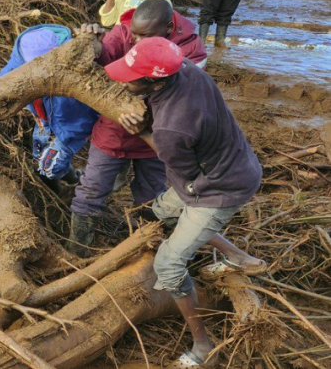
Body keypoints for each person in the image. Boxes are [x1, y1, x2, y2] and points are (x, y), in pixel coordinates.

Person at [106, 37, 266, 368]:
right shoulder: (188, 69)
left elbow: (183, 168)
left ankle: (202, 346)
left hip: (218, 187)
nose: (123, 78)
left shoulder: (170, 129)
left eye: (131, 75)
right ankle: (243, 260)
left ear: (153, 80)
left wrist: (140, 132)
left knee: (168, 262)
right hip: (236, 162)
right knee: (163, 212)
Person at [69, 0, 207, 256]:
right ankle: (78, 252)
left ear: (167, 28)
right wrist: (92, 43)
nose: (137, 39)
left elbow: (186, 97)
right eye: (135, 33)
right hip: (114, 131)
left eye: (145, 36)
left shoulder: (190, 48)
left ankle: (145, 250)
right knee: (91, 191)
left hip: (157, 140)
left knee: (152, 197)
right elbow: (105, 54)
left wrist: (145, 116)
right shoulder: (124, 31)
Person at [0, 25, 98, 193]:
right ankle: (70, 178)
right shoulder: (22, 54)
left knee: (49, 167)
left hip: (69, 127)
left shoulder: (72, 68)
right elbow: (2, 80)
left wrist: (66, 139)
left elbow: (83, 115)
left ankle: (80, 184)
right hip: (44, 121)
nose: (34, 73)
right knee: (38, 160)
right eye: (30, 67)